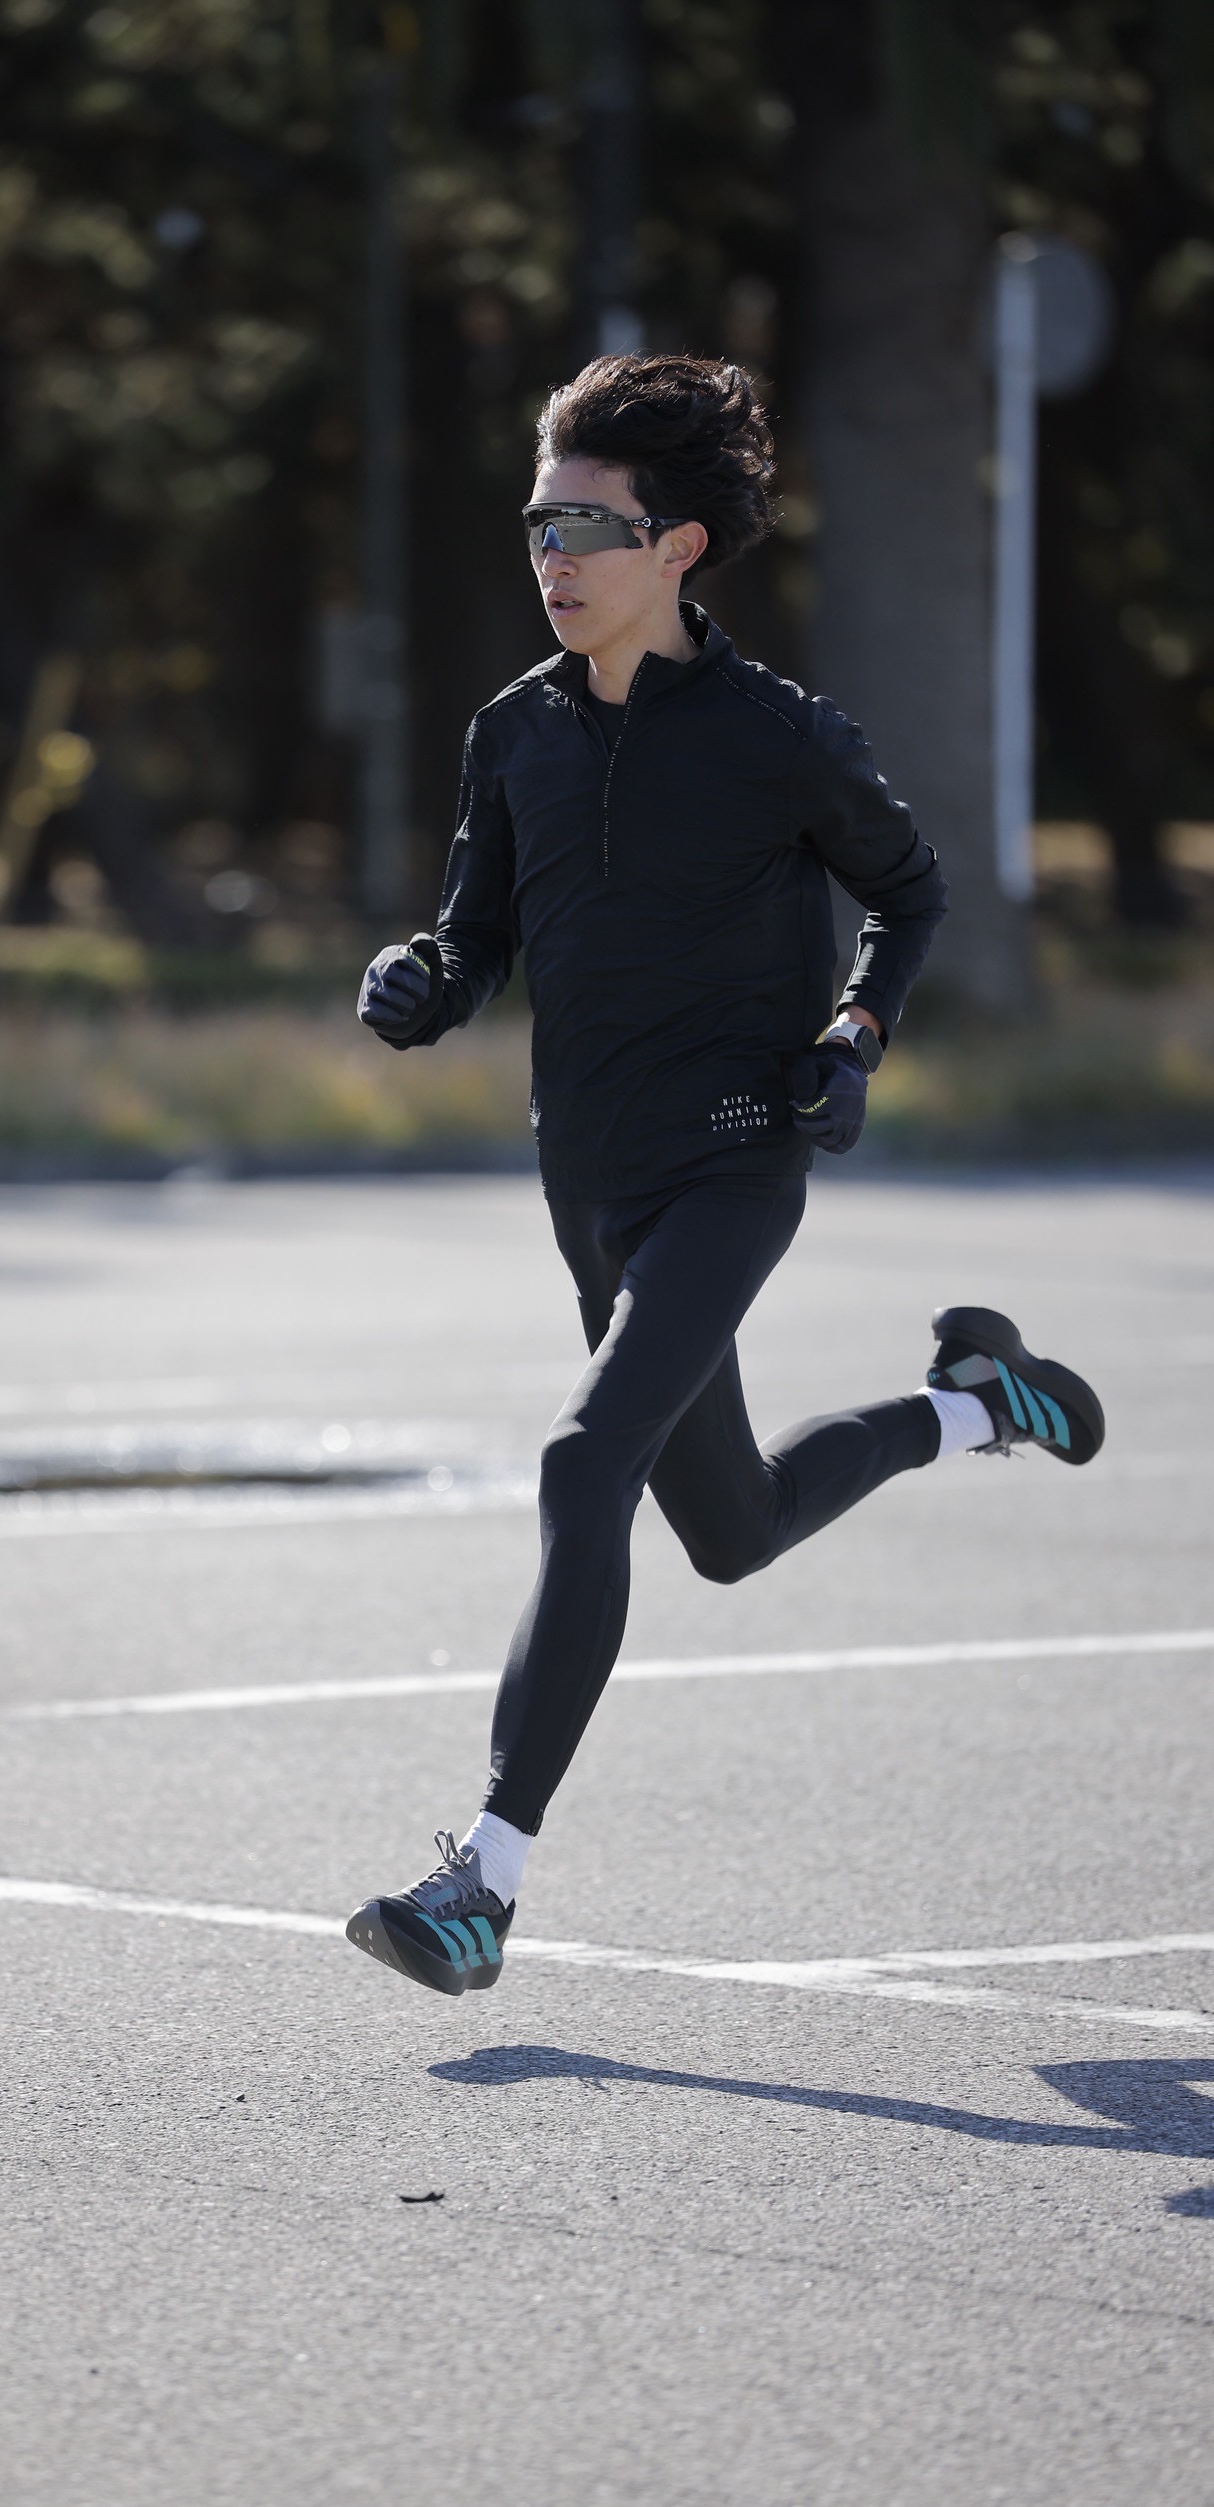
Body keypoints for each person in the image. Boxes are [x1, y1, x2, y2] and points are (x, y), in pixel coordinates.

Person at [343, 352, 1104, 1999]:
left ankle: (483, 1882)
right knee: (734, 1530)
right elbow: (475, 942)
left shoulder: (780, 740)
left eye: (586, 526)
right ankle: (982, 1401)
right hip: (591, 1181)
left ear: (676, 548)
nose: (550, 554)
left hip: (736, 1163)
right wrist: (416, 982)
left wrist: (852, 1036)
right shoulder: (513, 735)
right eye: (537, 521)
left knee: (581, 1461)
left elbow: (910, 901)